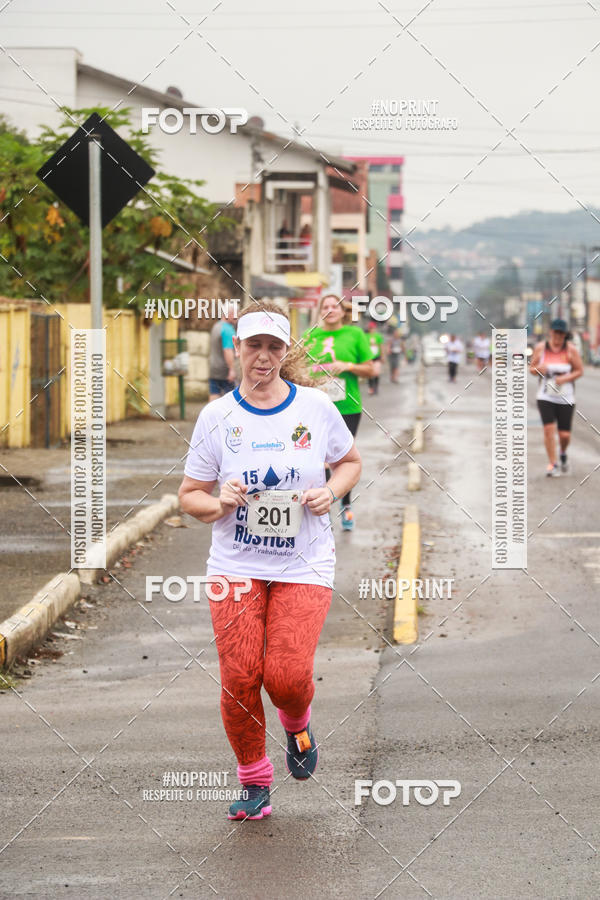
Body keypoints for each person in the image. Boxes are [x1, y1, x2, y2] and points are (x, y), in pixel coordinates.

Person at [179, 302, 361, 821]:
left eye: (273, 346)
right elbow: (191, 494)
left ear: (285, 351)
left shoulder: (316, 407)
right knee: (239, 677)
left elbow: (349, 461)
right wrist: (220, 504)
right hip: (235, 564)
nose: (263, 356)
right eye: (253, 345)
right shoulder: (217, 417)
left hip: (304, 563)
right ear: (237, 349)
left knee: (283, 674)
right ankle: (254, 782)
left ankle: (297, 723)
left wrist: (331, 490)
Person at [302, 293, 374, 531]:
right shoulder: (309, 336)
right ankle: (322, 511)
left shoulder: (355, 335)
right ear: (320, 311)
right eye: (326, 306)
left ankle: (346, 506)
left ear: (343, 312)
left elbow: (371, 370)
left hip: (347, 407)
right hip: (316, 407)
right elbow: (295, 368)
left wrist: (348, 366)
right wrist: (312, 371)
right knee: (319, 460)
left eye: (335, 306)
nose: (330, 309)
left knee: (343, 459)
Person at [530, 318, 583, 476]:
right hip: (546, 395)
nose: (558, 336)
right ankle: (553, 464)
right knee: (548, 429)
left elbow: (579, 370)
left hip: (566, 396)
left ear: (564, 334)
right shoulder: (541, 348)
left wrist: (564, 379)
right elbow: (532, 369)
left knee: (564, 435)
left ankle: (563, 453)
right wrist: (539, 368)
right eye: (555, 332)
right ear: (550, 332)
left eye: (561, 333)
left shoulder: (570, 350)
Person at [208, 302, 237, 400]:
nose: (236, 317)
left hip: (213, 369)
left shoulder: (216, 326)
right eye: (235, 314)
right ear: (228, 314)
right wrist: (232, 370)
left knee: (214, 395)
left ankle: (211, 415)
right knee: (230, 400)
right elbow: (227, 350)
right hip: (225, 371)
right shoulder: (228, 329)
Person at [366, 320, 384, 394]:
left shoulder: (378, 336)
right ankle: (371, 388)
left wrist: (383, 356)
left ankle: (376, 387)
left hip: (377, 357)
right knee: (370, 373)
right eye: (370, 328)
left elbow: (381, 346)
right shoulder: (366, 336)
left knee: (376, 373)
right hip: (369, 357)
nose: (372, 329)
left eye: (373, 328)